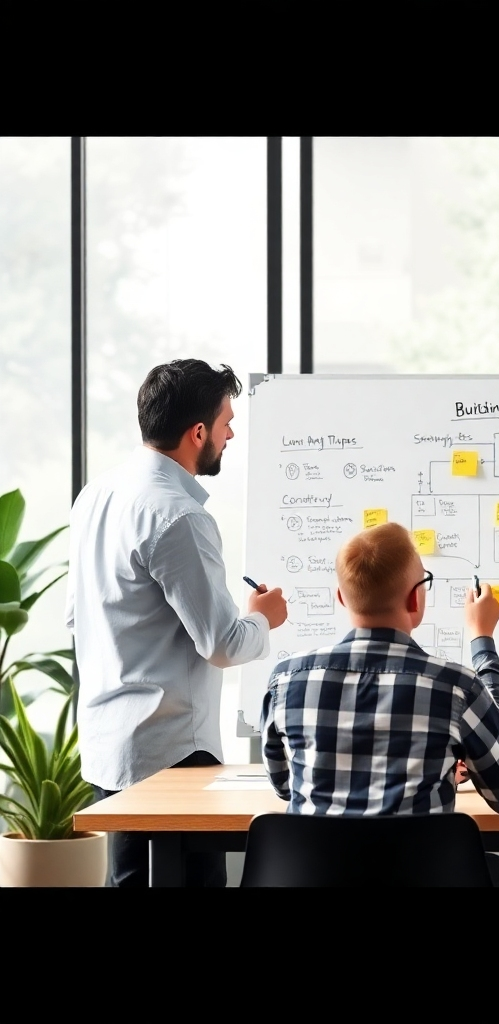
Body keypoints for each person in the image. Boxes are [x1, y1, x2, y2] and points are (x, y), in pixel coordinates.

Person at [66, 359, 288, 887]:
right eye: (226, 422)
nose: (231, 434)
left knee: (131, 880)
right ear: (198, 432)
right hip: (170, 752)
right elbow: (223, 644)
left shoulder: (95, 496)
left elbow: (76, 617)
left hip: (110, 742)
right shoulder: (179, 516)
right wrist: (263, 619)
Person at [260, 522, 499, 886]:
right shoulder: (455, 687)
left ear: (341, 598)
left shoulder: (286, 680)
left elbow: (285, 785)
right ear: (416, 598)